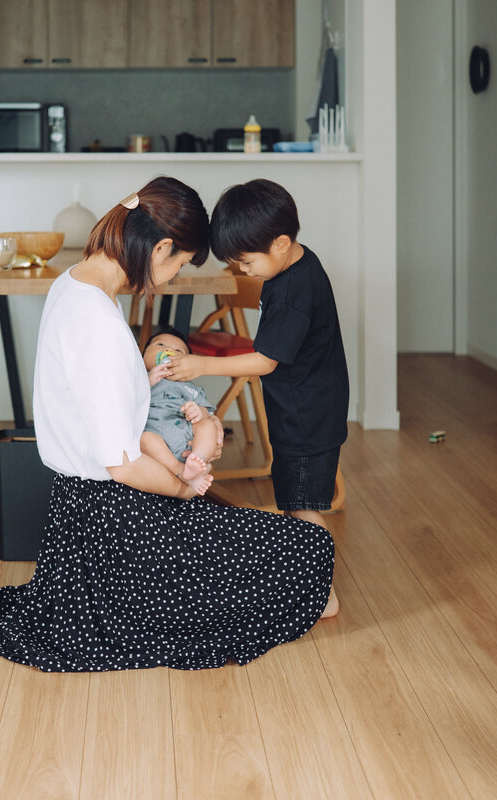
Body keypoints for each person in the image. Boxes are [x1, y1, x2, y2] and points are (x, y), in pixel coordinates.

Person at [0, 177, 336, 672]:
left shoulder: (73, 283)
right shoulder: (99, 322)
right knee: (307, 548)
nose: (173, 277)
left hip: (83, 517)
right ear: (160, 247)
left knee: (257, 538)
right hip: (116, 525)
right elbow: (123, 465)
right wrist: (185, 488)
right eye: (179, 264)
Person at [164, 179, 348, 616]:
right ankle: (309, 586)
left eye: (246, 262)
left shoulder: (294, 291)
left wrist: (201, 366)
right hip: (302, 408)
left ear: (281, 244)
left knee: (303, 508)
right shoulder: (292, 267)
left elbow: (265, 361)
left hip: (309, 415)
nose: (243, 271)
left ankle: (324, 597)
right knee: (293, 501)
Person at [140, 327, 222, 496]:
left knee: (207, 426)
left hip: (187, 439)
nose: (168, 351)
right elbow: (127, 401)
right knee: (145, 439)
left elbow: (208, 412)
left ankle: (196, 461)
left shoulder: (190, 387)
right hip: (156, 440)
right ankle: (182, 471)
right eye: (160, 344)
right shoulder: (139, 378)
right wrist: (147, 381)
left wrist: (199, 411)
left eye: (179, 351)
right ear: (142, 356)